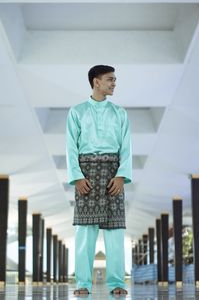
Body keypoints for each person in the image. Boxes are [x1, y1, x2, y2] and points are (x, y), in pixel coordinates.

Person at [66, 65, 132, 296]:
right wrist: (76, 177)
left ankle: (116, 284)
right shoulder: (77, 111)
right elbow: (70, 148)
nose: (114, 83)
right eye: (110, 79)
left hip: (114, 175)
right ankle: (83, 283)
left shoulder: (120, 113)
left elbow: (127, 147)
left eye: (115, 80)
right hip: (86, 175)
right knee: (85, 231)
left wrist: (122, 175)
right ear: (96, 82)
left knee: (115, 231)